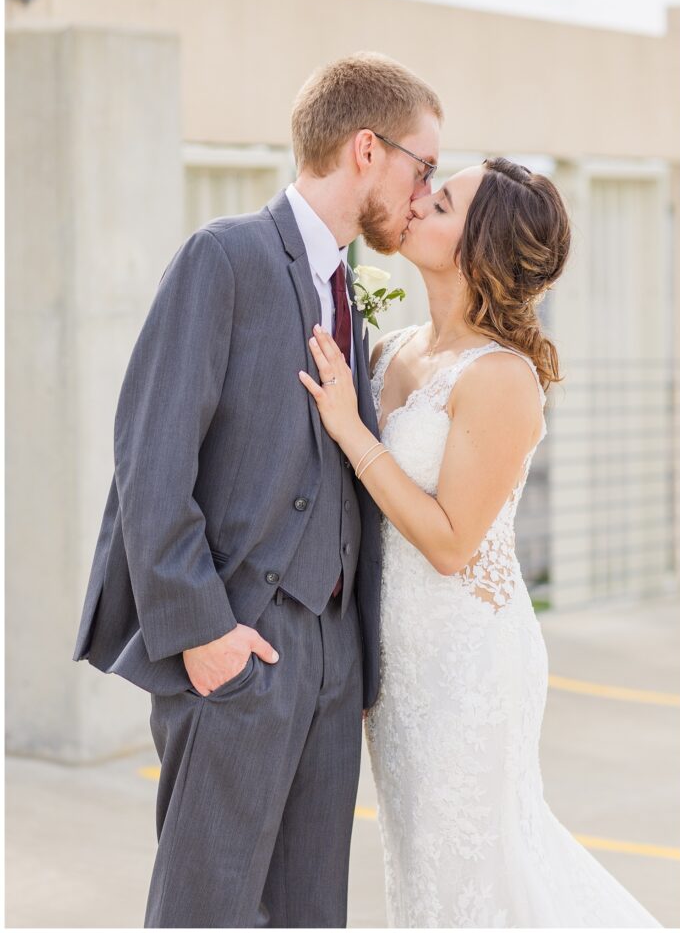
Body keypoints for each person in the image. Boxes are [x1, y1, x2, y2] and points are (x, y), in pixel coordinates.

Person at [71, 51, 442, 927]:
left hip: (330, 657)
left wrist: (348, 659)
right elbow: (148, 457)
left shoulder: (345, 287)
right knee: (206, 910)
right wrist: (203, 632)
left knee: (312, 913)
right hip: (238, 647)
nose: (424, 191)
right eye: (420, 166)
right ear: (364, 149)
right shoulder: (224, 258)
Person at [299, 156, 662, 927]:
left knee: (479, 870)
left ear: (479, 245)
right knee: (422, 870)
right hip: (397, 666)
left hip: (466, 661)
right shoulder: (389, 348)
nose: (417, 204)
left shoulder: (501, 377)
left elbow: (451, 543)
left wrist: (350, 430)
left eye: (441, 202)